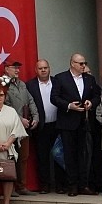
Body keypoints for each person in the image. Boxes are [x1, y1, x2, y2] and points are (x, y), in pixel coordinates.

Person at [50, 54, 102, 196]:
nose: (83, 66)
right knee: (69, 155)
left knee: (84, 154)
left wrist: (91, 103)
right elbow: (54, 98)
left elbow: (97, 95)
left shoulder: (89, 78)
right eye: (80, 63)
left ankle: (84, 185)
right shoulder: (61, 78)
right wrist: (68, 106)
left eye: (84, 63)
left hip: (84, 122)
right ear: (72, 63)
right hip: (67, 122)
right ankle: (72, 185)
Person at [2, 61, 39, 195]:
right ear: (6, 69)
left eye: (18, 68)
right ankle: (10, 188)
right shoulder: (2, 85)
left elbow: (30, 101)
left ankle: (22, 186)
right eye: (14, 68)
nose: (17, 70)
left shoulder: (22, 84)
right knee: (11, 157)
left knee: (23, 156)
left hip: (24, 128)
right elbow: (4, 105)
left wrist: (35, 116)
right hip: (10, 127)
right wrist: (19, 119)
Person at [29, 60, 63, 194]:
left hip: (58, 125)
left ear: (49, 69)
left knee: (59, 155)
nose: (43, 70)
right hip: (41, 126)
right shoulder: (30, 85)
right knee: (42, 157)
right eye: (40, 68)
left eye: (45, 68)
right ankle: (45, 185)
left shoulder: (57, 82)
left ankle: (60, 184)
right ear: (35, 70)